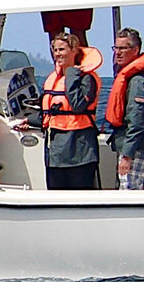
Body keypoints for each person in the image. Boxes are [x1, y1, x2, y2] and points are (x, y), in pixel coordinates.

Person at [103, 28, 144, 191]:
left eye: (123, 48)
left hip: (137, 145)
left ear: (136, 50)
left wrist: (127, 155)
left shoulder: (137, 81)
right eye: (115, 48)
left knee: (130, 189)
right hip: (128, 142)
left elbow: (137, 122)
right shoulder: (128, 76)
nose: (117, 53)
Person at [39, 31, 101, 190]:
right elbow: (48, 111)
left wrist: (72, 74)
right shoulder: (52, 79)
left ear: (74, 50)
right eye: (55, 50)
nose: (57, 54)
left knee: (80, 195)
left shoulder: (87, 78)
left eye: (62, 49)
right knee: (55, 195)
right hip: (56, 150)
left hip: (80, 147)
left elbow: (78, 105)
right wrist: (28, 120)